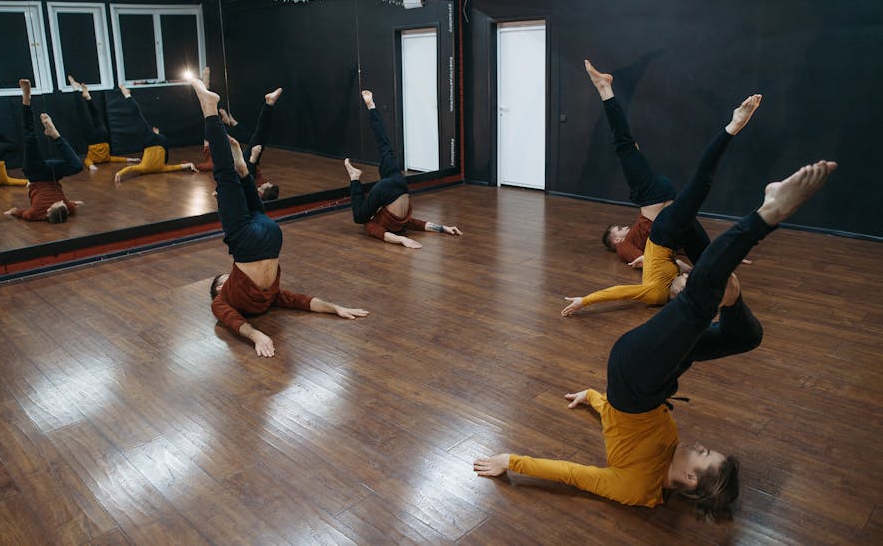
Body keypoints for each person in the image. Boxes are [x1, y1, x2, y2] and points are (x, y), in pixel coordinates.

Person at [474, 159, 837, 518]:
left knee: (698, 302)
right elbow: (621, 427)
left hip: (632, 375)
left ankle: (767, 214)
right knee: (746, 337)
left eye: (706, 453)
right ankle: (732, 299)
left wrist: (511, 461)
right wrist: (594, 399)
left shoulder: (636, 489)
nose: (700, 445)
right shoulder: (672, 447)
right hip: (658, 379)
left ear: (692, 478)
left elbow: (574, 475)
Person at [186, 75, 369, 357]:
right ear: (220, 287)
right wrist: (335, 308)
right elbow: (299, 301)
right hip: (255, 242)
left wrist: (256, 334)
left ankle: (237, 156)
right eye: (221, 280)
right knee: (227, 181)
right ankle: (234, 152)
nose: (224, 279)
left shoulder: (222, 303)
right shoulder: (257, 298)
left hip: (269, 238)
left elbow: (236, 321)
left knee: (231, 184)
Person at [562, 92, 762, 316]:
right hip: (669, 220)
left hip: (661, 225)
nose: (686, 278)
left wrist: (585, 300)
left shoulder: (653, 291)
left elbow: (618, 292)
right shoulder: (677, 279)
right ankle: (734, 126)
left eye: (685, 283)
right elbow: (684, 267)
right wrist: (726, 254)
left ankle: (733, 125)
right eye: (688, 282)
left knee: (699, 183)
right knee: (710, 262)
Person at [588, 60, 705, 268]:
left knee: (627, 146)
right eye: (620, 230)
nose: (625, 229)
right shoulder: (623, 246)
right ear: (616, 240)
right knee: (623, 143)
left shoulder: (640, 238)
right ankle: (604, 88)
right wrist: (678, 265)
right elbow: (640, 262)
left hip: (660, 202)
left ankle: (605, 88)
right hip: (653, 197)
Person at [344, 90, 462, 248]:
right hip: (391, 186)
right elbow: (411, 226)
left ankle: (372, 106)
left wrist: (403, 240)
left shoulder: (377, 223)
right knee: (385, 148)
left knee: (385, 148)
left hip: (400, 186)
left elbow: (386, 233)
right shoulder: (391, 223)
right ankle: (371, 107)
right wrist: (442, 228)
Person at [4, 79, 84, 223]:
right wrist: (73, 204)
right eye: (63, 204)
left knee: (30, 139)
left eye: (57, 204)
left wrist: (13, 211)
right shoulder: (67, 208)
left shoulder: (34, 215)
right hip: (52, 175)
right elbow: (71, 207)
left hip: (34, 174)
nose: (62, 202)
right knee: (77, 166)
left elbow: (21, 213)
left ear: (47, 212)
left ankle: (26, 100)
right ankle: (55, 135)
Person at [113, 84, 197, 183]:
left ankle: (157, 134)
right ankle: (127, 95)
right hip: (151, 140)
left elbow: (174, 166)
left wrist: (190, 165)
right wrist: (119, 174)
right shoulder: (143, 168)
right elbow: (131, 169)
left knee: (139, 119)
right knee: (137, 116)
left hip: (162, 141)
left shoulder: (162, 168)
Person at [67, 75, 140, 171]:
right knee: (95, 115)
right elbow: (117, 159)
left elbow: (87, 161)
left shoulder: (98, 159)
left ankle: (78, 91)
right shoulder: (108, 158)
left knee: (87, 114)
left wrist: (91, 166)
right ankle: (86, 96)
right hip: (102, 137)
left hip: (93, 138)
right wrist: (131, 159)